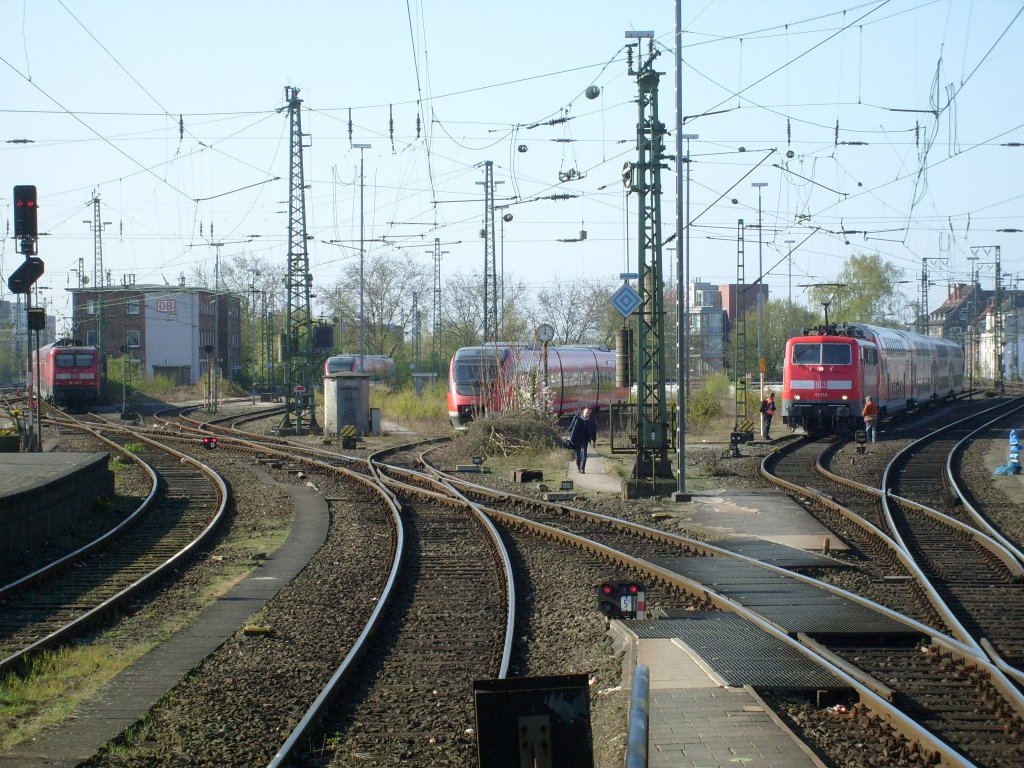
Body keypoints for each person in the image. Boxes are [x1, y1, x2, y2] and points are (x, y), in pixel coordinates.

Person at [568, 407, 598, 473]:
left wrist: (594, 440)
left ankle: (582, 468)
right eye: (587, 412)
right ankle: (578, 466)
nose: (588, 414)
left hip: (585, 439)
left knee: (584, 454)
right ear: (583, 411)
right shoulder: (576, 418)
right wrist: (570, 436)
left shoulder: (591, 420)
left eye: (589, 413)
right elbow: (571, 427)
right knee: (577, 454)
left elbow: (594, 431)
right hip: (576, 438)